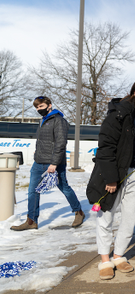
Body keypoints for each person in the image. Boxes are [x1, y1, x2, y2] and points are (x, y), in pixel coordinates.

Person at [86, 78, 135, 280]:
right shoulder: (119, 114)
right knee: (106, 215)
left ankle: (118, 255)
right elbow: (106, 148)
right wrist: (110, 178)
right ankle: (104, 260)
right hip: (115, 172)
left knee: (130, 217)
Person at [11, 96, 84, 231]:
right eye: (37, 107)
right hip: (38, 163)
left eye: (41, 106)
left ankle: (79, 212)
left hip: (54, 164)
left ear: (49, 105)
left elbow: (61, 143)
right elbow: (42, 141)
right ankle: (31, 221)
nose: (39, 109)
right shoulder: (43, 121)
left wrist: (54, 163)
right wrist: (36, 153)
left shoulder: (59, 121)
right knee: (32, 191)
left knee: (64, 188)